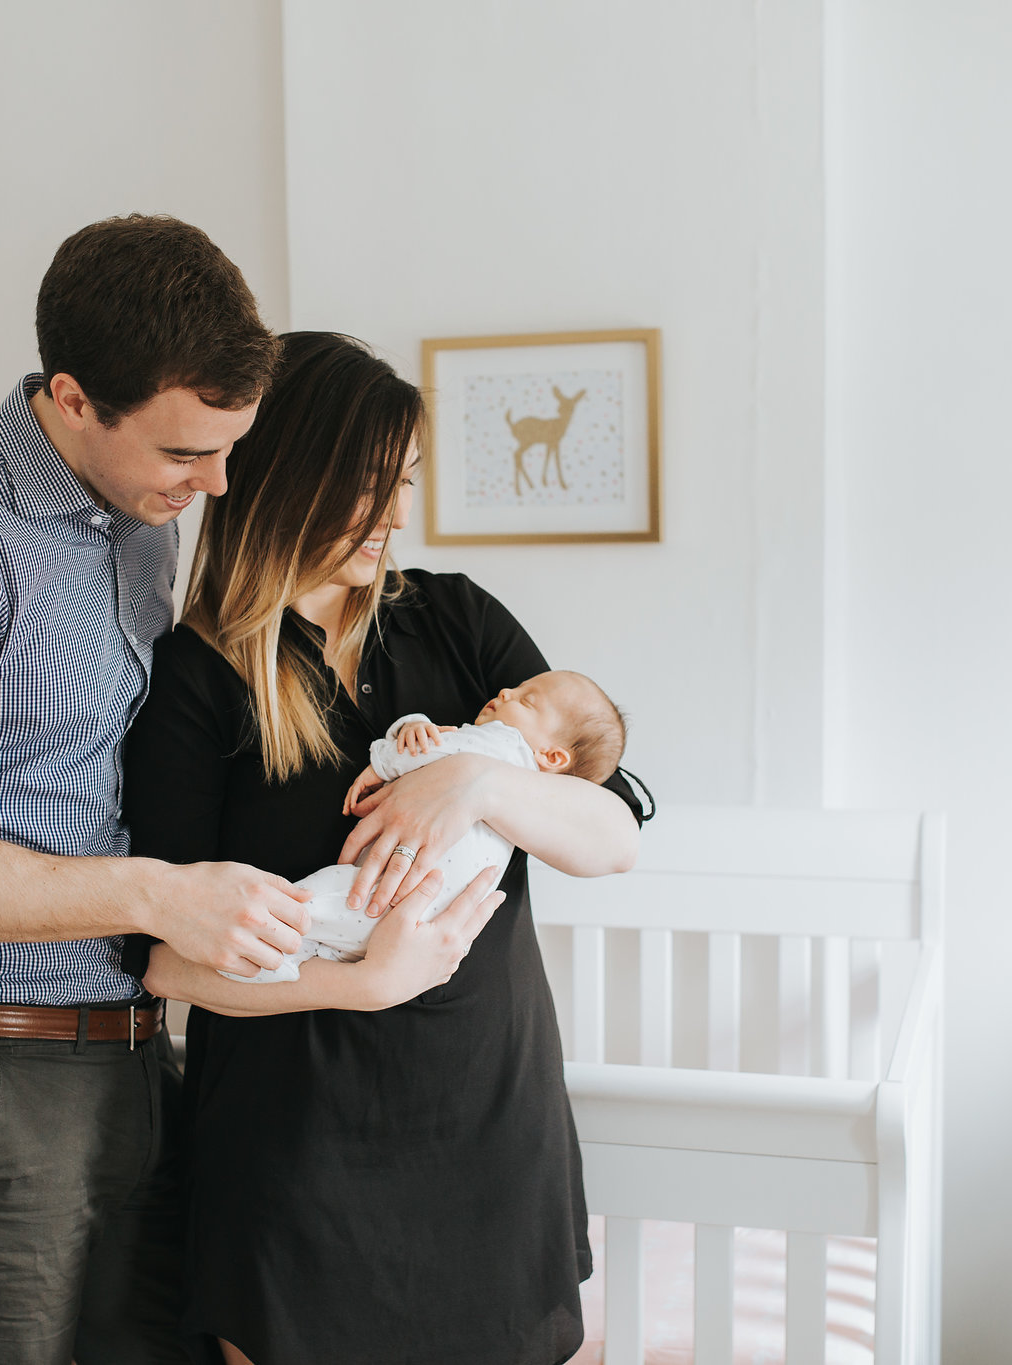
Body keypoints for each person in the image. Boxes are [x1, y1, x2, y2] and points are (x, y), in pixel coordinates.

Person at [0, 215, 321, 1365]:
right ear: (74, 397)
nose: (214, 484)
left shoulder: (136, 527)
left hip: (132, 1058)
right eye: (186, 453)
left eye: (226, 449)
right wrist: (159, 894)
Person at [125, 331, 645, 1365]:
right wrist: (358, 986)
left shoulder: (456, 624)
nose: (397, 513)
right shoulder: (197, 679)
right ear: (287, 476)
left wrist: (479, 782)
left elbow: (610, 837)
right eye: (370, 485)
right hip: (296, 1149)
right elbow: (168, 960)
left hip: (491, 1118)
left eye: (403, 483)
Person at [222, 670, 628, 984]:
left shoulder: (501, 744)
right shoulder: (536, 798)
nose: (505, 693)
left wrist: (393, 746)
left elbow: (419, 754)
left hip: (388, 895)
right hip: (425, 921)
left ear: (553, 756)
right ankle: (283, 959)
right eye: (515, 688)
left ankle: (261, 949)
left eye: (527, 700)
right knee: (331, 932)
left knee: (313, 899)